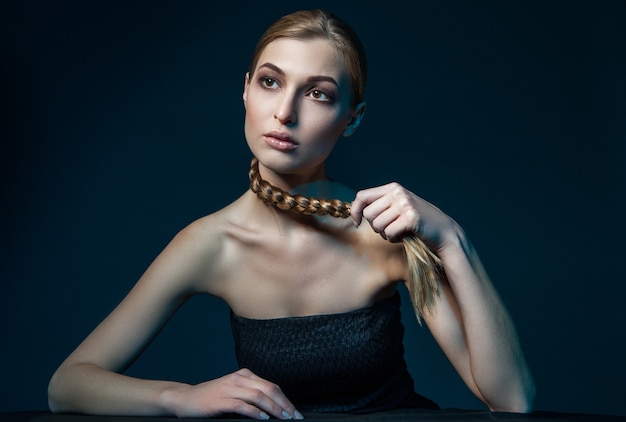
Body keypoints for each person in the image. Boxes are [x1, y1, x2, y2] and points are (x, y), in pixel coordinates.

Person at [47, 9, 535, 420]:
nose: (284, 111)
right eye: (270, 82)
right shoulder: (211, 243)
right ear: (245, 90)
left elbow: (510, 399)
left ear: (353, 117)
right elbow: (67, 385)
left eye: (318, 93)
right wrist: (179, 396)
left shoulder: (381, 234)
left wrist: (452, 238)